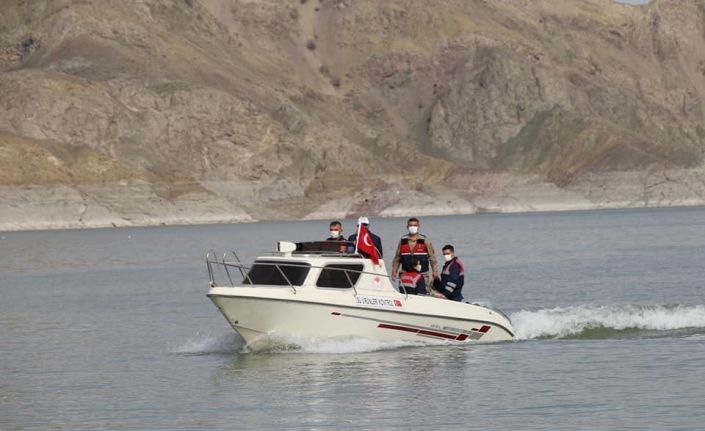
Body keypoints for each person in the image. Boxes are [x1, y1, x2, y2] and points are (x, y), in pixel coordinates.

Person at [391, 217, 439, 293]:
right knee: (405, 294)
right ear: (407, 227)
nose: (412, 227)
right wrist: (394, 271)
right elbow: (397, 258)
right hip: (406, 275)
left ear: (418, 227)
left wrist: (435, 272)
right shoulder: (403, 240)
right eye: (410, 225)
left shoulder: (425, 240)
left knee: (424, 294)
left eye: (415, 225)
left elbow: (432, 258)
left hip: (422, 274)